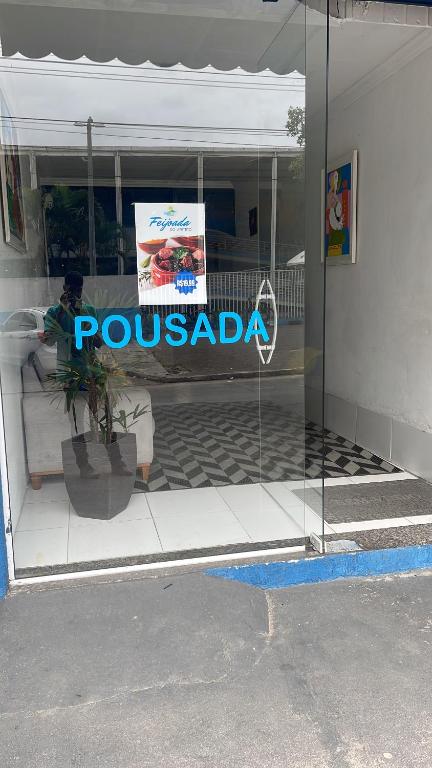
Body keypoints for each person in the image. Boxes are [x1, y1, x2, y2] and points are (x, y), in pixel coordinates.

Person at [41, 271, 132, 479]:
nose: (75, 293)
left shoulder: (89, 310)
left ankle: (117, 463)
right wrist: (64, 311)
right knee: (76, 424)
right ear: (64, 288)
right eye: (72, 289)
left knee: (106, 418)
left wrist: (82, 317)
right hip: (71, 376)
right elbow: (49, 340)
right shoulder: (54, 312)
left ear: (82, 290)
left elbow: (99, 342)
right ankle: (84, 467)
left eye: (79, 289)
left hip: (93, 373)